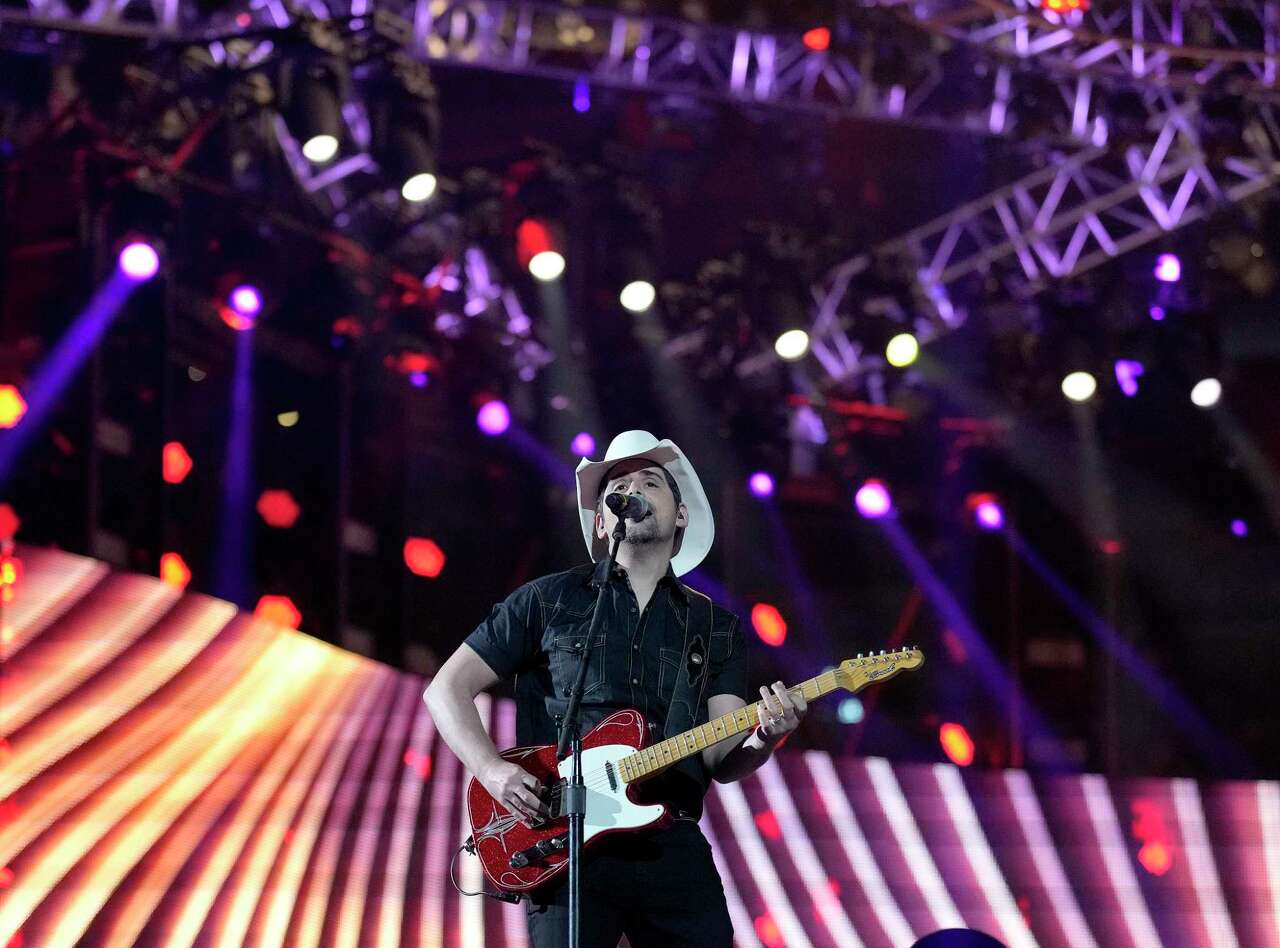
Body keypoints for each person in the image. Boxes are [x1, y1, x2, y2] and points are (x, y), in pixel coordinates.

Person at [424, 430, 807, 947]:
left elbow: (722, 756)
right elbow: (445, 689)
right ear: (603, 520)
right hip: (564, 838)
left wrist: (765, 737)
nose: (634, 489)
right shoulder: (548, 600)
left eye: (651, 481)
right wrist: (493, 770)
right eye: (618, 485)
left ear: (681, 515)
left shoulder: (715, 627)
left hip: (671, 843)